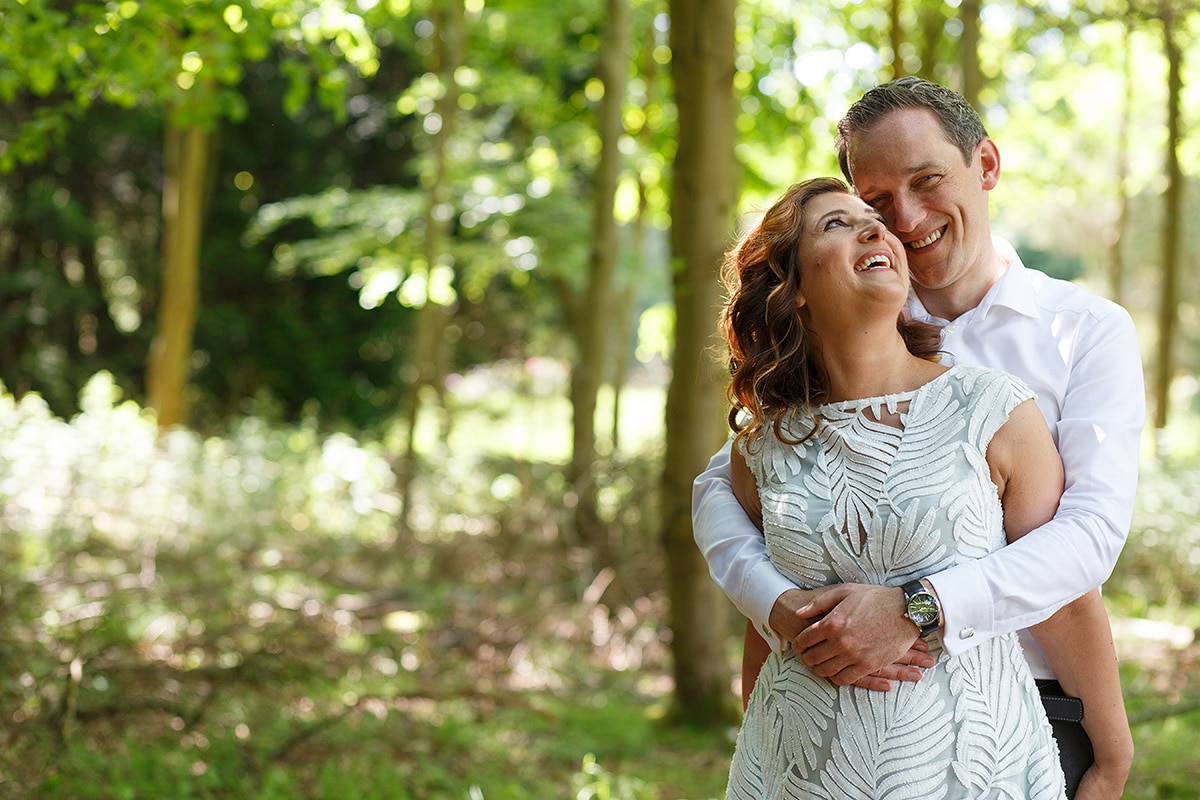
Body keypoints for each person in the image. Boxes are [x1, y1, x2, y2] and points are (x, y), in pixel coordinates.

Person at [694, 78, 1142, 798]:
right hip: (825, 729)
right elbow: (728, 485)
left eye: (927, 180)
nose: (901, 218)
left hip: (1028, 707)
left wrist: (919, 607)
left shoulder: (1082, 333)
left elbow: (1084, 542)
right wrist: (773, 605)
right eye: (872, 203)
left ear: (986, 166)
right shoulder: (836, 349)